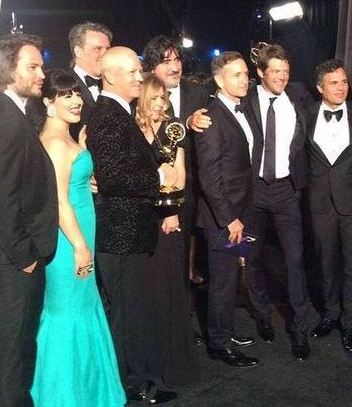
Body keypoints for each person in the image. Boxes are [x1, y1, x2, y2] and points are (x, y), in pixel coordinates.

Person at [86, 46, 178, 404]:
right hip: (120, 236)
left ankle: (135, 380)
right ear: (110, 76)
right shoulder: (107, 115)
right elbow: (112, 178)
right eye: (133, 73)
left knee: (132, 312)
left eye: (140, 72)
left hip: (130, 233)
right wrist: (157, 177)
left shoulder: (118, 112)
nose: (141, 78)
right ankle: (129, 386)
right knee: (125, 316)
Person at [29, 70, 125, 406]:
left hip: (80, 233)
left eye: (77, 94)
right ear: (48, 103)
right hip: (70, 241)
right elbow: (57, 201)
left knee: (81, 309)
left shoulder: (66, 138)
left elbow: (71, 183)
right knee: (66, 313)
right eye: (65, 95)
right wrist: (80, 246)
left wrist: (84, 166)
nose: (76, 100)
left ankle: (85, 392)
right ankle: (61, 396)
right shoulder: (55, 142)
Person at [0, 34, 58, 406]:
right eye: (33, 66)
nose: (41, 73)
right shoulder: (2, 120)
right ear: (8, 71)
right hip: (11, 260)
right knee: (15, 356)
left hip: (3, 256)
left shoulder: (6, 113)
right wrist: (24, 255)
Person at [244, 43, 320, 361]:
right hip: (250, 191)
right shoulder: (243, 99)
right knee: (250, 255)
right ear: (260, 72)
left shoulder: (299, 96)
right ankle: (261, 311)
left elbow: (331, 102)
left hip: (288, 190)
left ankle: (299, 326)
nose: (281, 77)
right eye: (275, 71)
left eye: (286, 71)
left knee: (294, 259)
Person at [195, 51, 260, 368]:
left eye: (245, 73)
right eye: (236, 74)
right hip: (224, 217)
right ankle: (219, 345)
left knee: (231, 276)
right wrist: (229, 219)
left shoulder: (242, 110)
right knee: (222, 281)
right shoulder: (211, 117)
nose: (244, 79)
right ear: (219, 80)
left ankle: (225, 332)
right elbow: (209, 177)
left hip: (239, 212)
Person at [306, 59, 352, 352]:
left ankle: (351, 322)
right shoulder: (305, 115)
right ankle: (330, 314)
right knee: (326, 263)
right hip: (321, 201)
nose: (341, 87)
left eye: (344, 82)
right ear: (320, 87)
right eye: (333, 82)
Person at [134, 73, 199, 387]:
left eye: (164, 98)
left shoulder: (174, 131)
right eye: (155, 98)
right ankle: (144, 359)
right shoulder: (130, 129)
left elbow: (181, 178)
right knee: (141, 292)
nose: (161, 104)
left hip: (167, 222)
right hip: (136, 221)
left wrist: (171, 210)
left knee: (167, 289)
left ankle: (171, 362)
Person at [142, 36, 210, 286]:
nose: (174, 67)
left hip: (190, 186)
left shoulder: (200, 93)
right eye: (166, 61)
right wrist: (186, 123)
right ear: (151, 68)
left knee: (182, 247)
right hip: (149, 189)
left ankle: (181, 304)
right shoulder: (138, 96)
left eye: (177, 59)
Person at [68, 21, 112, 140]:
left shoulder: (115, 84)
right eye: (97, 49)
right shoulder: (63, 85)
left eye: (107, 49)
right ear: (78, 51)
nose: (105, 54)